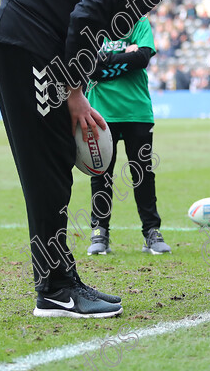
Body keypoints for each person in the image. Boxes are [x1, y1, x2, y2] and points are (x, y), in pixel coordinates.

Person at [0, 0, 210, 318]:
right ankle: (53, 289)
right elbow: (89, 14)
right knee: (47, 162)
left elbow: (92, 19)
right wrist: (73, 92)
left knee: (56, 157)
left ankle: (62, 279)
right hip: (23, 33)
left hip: (27, 34)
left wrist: (76, 86)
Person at [84, 16, 171, 257]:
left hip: (137, 111)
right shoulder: (93, 21)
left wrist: (106, 65)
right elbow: (90, 65)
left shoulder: (139, 22)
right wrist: (126, 55)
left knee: (142, 173)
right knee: (101, 174)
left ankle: (151, 232)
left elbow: (142, 58)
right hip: (100, 113)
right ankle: (100, 231)